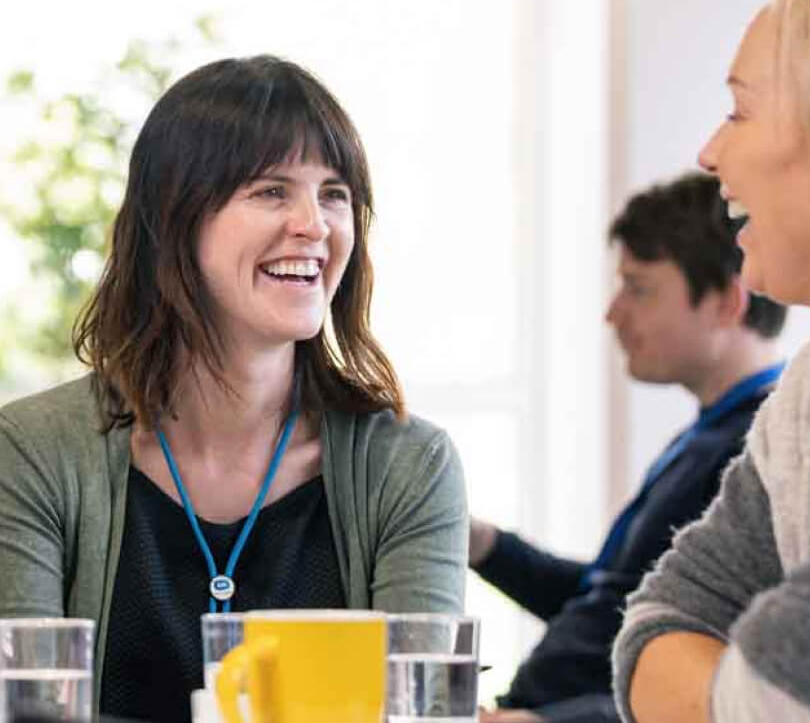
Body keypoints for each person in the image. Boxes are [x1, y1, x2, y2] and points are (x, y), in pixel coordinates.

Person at [0, 56, 468, 723]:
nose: (315, 224)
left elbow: (418, 718)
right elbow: (22, 714)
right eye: (272, 191)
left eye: (334, 193)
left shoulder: (409, 464)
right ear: (174, 220)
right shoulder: (34, 450)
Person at [612, 0, 810, 723]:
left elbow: (783, 693)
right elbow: (656, 623)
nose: (711, 153)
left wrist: (737, 690)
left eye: (741, 111)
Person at [471, 172, 787, 723]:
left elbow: (722, 674)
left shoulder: (763, 450)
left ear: (726, 304)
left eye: (639, 289)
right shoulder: (708, 436)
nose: (613, 313)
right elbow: (612, 603)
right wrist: (485, 545)